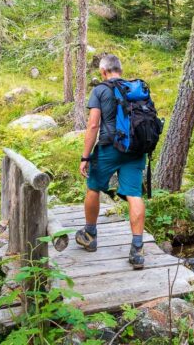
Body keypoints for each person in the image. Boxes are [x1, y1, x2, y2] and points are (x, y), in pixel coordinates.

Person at [76, 54, 146, 270]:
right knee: (134, 194)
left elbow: (93, 126)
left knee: (93, 187)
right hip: (135, 149)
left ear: (103, 72)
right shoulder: (136, 89)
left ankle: (90, 234)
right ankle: (137, 248)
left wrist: (85, 156)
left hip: (109, 148)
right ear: (120, 70)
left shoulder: (100, 90)